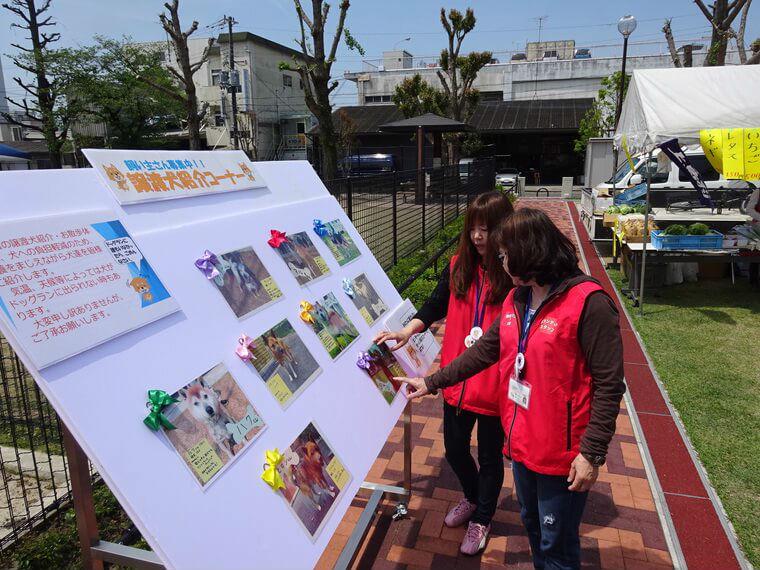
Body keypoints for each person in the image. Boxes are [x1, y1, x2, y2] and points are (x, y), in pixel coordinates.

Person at [399, 208, 625, 570]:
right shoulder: (520, 297)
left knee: (557, 544)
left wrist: (592, 453)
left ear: (528, 252)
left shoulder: (589, 303)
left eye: (504, 255)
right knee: (534, 527)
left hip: (562, 455)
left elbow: (610, 386)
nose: (499, 263)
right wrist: (430, 382)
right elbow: (485, 351)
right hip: (522, 444)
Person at [375, 191, 514, 555]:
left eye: (487, 229)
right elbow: (435, 304)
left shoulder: (515, 275)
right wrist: (408, 330)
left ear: (503, 230)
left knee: (489, 457)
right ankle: (472, 497)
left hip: (495, 383)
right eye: (473, 229)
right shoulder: (458, 266)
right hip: (456, 378)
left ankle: (483, 517)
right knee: (454, 450)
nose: (478, 237)